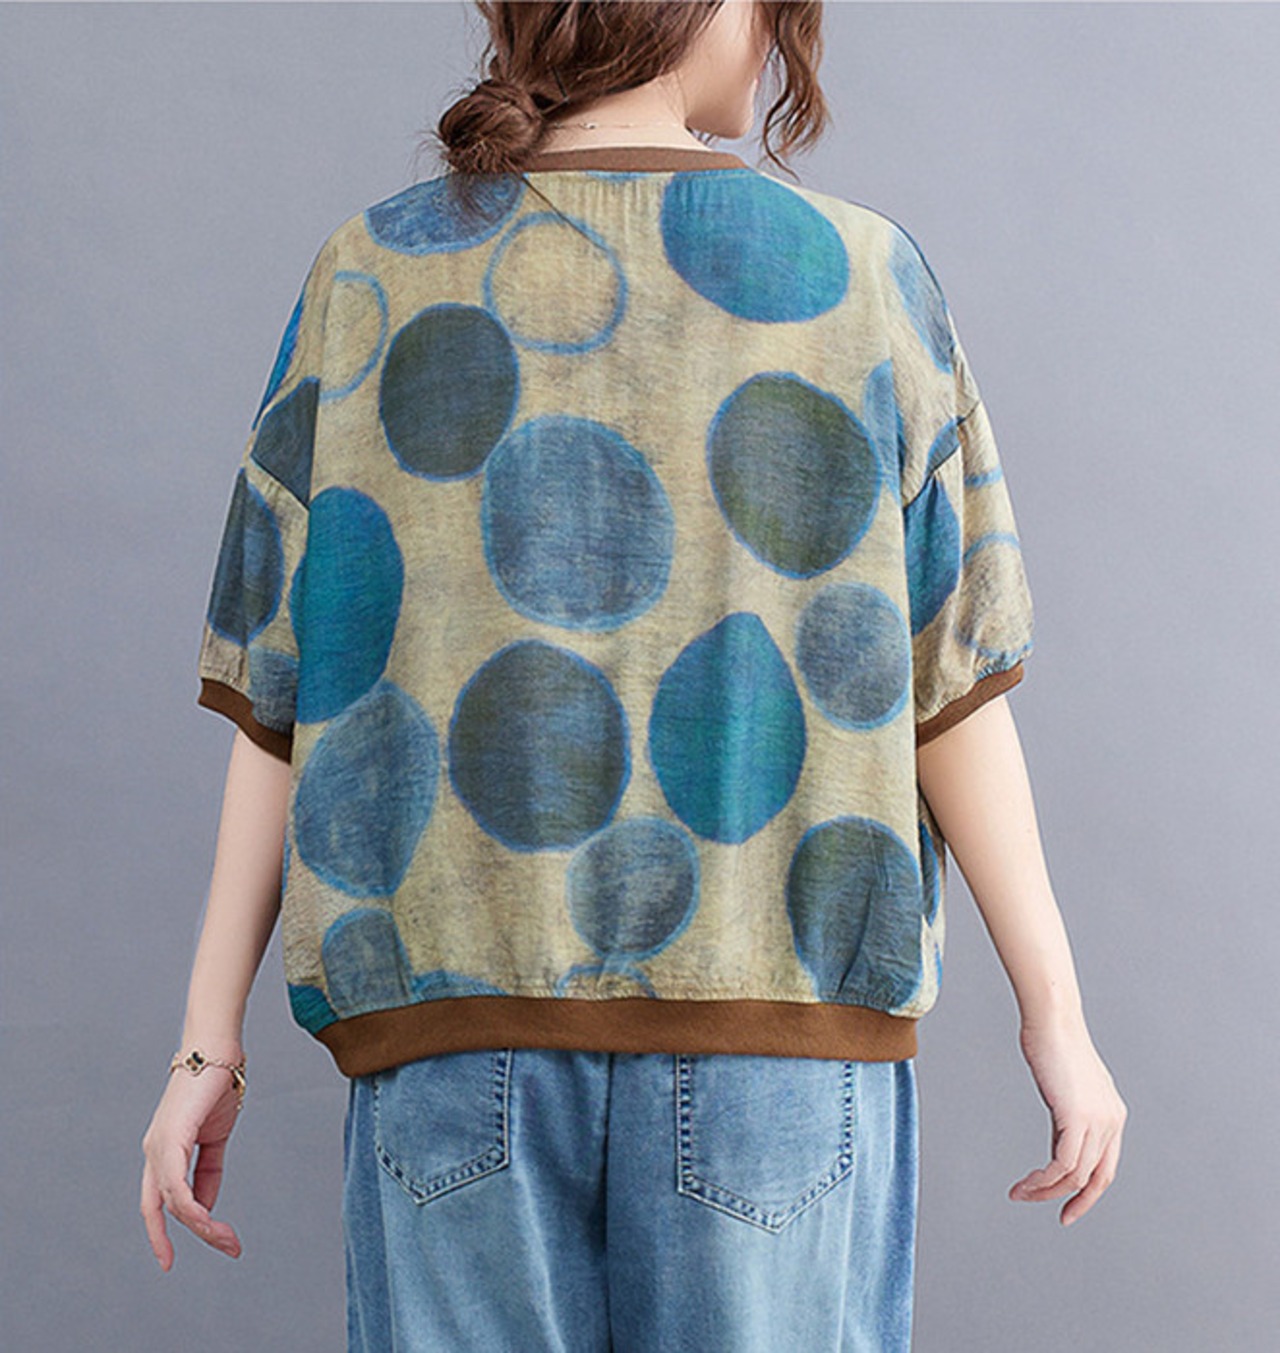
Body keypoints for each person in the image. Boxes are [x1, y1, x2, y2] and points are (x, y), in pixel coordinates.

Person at [140, 2, 1128, 1348]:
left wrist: (208, 1043)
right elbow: (944, 686)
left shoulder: (368, 270)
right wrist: (1055, 1021)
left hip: (451, 1047)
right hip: (776, 1042)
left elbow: (281, 694)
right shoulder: (860, 277)